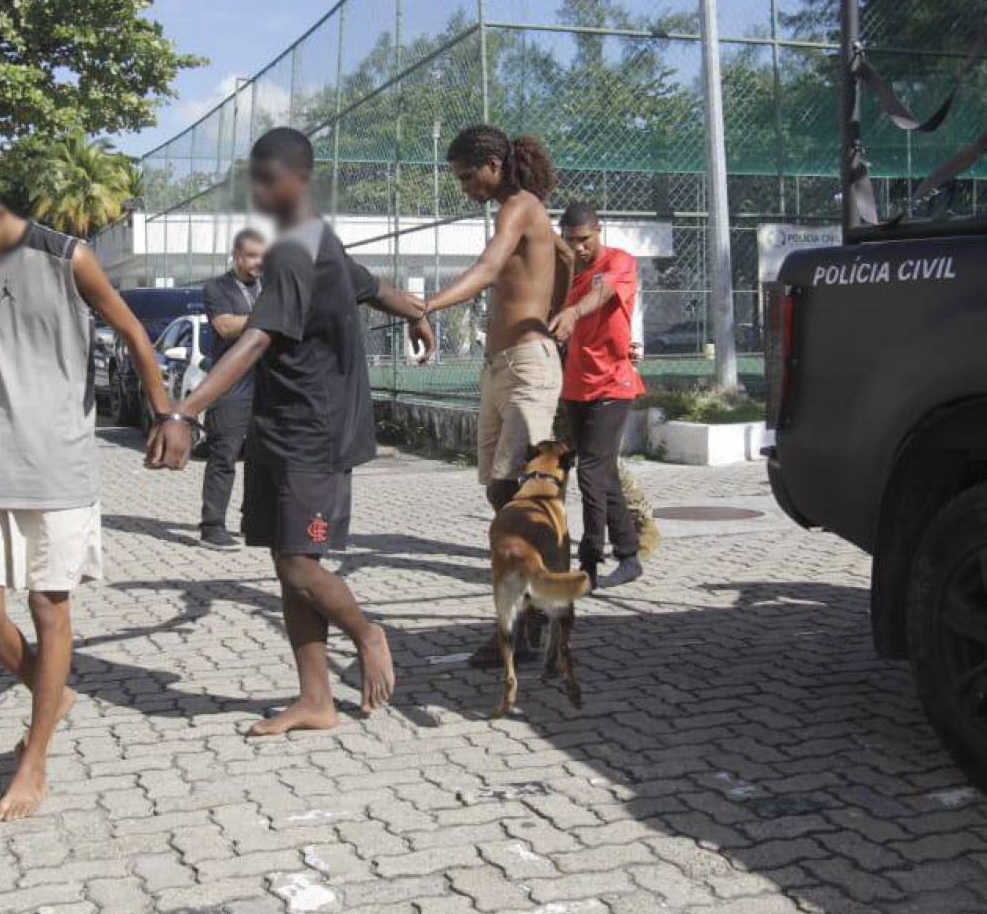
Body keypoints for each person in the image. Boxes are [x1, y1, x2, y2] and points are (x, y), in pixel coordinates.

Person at [147, 127, 434, 736]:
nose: (259, 191)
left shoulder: (295, 249)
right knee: (287, 565)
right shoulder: (312, 238)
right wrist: (417, 312)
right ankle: (315, 699)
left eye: (270, 179)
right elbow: (370, 286)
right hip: (279, 427)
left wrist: (185, 411)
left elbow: (256, 338)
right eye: (254, 179)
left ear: (301, 179)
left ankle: (368, 633)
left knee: (303, 565)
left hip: (314, 434)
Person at [0, 172, 168, 821]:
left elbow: (133, 332)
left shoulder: (65, 257)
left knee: (46, 606)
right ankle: (50, 693)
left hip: (57, 463)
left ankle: (33, 761)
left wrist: (167, 414)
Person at [422, 124, 567, 663]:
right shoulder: (524, 212)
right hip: (499, 369)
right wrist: (559, 309)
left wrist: (425, 305)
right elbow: (564, 260)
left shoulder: (520, 206)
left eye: (468, 177)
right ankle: (534, 608)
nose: (466, 188)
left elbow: (487, 269)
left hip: (528, 368)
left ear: (494, 165)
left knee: (517, 498)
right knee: (500, 496)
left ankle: (528, 619)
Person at [549, 202, 645, 589]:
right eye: (569, 241)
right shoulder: (564, 271)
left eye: (584, 240)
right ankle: (629, 556)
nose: (578, 248)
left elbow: (602, 292)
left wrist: (573, 313)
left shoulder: (619, 262)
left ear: (599, 230)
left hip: (613, 383)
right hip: (575, 384)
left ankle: (588, 563)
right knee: (604, 473)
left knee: (590, 470)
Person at [198, 229, 267, 550]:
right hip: (231, 387)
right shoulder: (217, 288)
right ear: (237, 256)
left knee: (263, 458)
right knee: (224, 457)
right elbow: (225, 327)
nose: (258, 262)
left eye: (263, 256)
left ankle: (253, 519)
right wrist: (271, 315)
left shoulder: (271, 286)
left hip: (268, 387)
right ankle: (212, 526)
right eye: (252, 256)